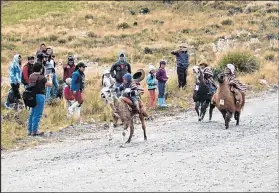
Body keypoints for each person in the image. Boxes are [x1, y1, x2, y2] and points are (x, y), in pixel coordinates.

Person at [27, 63, 53, 136]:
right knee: (38, 114)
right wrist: (50, 78)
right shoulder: (42, 78)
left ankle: (29, 130)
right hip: (40, 96)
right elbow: (50, 84)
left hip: (32, 96)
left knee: (32, 113)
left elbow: (37, 79)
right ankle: (35, 131)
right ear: (41, 69)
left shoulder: (31, 76)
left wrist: (44, 77)